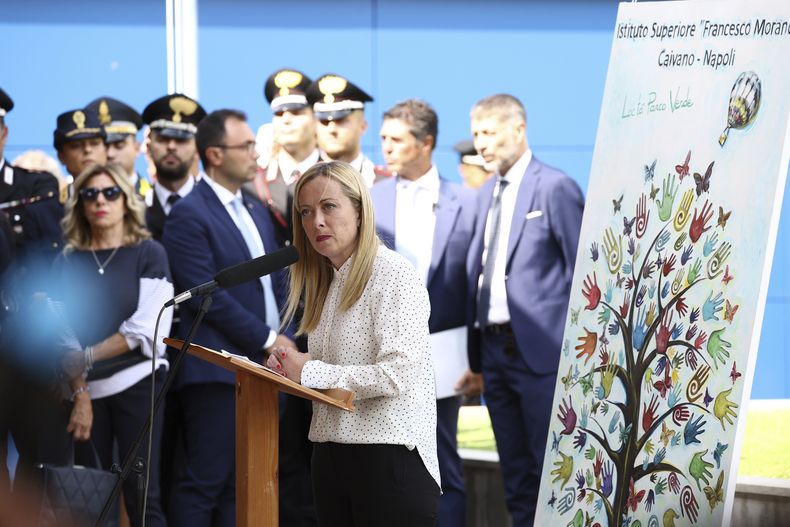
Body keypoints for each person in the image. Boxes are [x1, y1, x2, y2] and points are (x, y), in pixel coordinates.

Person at [267, 161, 441, 526]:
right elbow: (345, 364)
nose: (316, 221)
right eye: (305, 212)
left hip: (388, 459)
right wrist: (293, 368)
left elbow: (397, 375)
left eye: (329, 206)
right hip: (331, 457)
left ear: (360, 211)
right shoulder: (326, 281)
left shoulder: (393, 274)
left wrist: (310, 370)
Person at [161, 109, 294, 527]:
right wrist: (270, 339)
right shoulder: (189, 214)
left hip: (267, 370)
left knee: (246, 486)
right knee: (205, 484)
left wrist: (285, 337)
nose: (257, 154)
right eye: (247, 146)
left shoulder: (254, 209)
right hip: (218, 374)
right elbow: (208, 298)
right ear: (215, 154)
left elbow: (276, 284)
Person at [463, 94, 584, 526]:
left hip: (542, 355)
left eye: (490, 132)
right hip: (492, 353)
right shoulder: (483, 196)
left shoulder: (554, 187)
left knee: (552, 468)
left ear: (519, 130)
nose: (481, 143)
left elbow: (582, 275)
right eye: (477, 133)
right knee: (513, 472)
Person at [52, 162, 174, 526]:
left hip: (139, 383)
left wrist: (86, 356)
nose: (99, 201)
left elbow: (145, 328)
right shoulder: (66, 261)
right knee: (91, 499)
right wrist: (81, 394)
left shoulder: (149, 252)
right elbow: (60, 335)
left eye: (110, 192)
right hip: (85, 391)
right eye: (89, 194)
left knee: (141, 493)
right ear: (79, 204)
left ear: (126, 200)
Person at [372, 99, 474, 527]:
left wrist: (476, 360)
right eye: (383, 140)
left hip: (445, 354)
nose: (386, 149)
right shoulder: (369, 198)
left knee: (442, 459)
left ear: (426, 143)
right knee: (383, 464)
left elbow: (474, 282)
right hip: (379, 354)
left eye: (396, 140)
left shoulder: (466, 200)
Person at [250, 68, 320, 245]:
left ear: (315, 118)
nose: (286, 119)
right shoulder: (252, 183)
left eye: (296, 112)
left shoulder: (337, 176)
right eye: (279, 113)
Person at [306, 73, 389, 187]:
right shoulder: (300, 183)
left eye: (340, 120)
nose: (332, 129)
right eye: (324, 121)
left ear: (362, 126)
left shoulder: (384, 183)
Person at [142, 93, 206, 240]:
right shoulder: (134, 211)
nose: (171, 146)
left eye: (181, 140)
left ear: (197, 147)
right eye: (163, 139)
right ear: (149, 145)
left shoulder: (217, 206)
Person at [85, 96, 151, 197]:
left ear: (137, 148)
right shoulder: (74, 200)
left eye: (119, 145)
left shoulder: (153, 199)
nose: (110, 154)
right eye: (104, 146)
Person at [54, 107, 108, 181]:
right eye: (76, 146)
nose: (87, 149)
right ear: (61, 157)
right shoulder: (57, 192)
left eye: (95, 143)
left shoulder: (127, 191)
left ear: (106, 150)